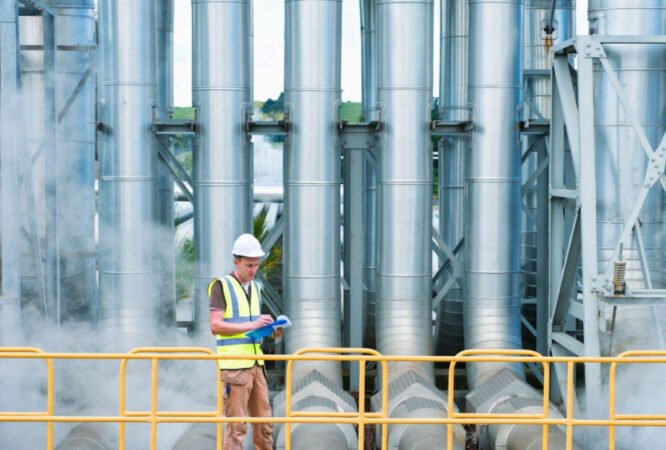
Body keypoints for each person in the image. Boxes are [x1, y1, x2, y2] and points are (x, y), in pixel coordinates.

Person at [209, 233, 282, 450]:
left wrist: (270, 329)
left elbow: (250, 328)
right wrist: (253, 324)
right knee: (237, 428)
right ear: (236, 261)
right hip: (235, 368)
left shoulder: (256, 287)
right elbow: (215, 326)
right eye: (249, 265)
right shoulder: (221, 286)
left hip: (257, 365)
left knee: (264, 424)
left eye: (256, 265)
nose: (253, 270)